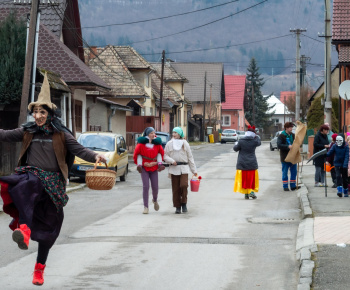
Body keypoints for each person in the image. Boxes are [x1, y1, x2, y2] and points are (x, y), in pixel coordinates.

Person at [0, 73, 107, 286]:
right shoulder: (27, 132)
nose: (38, 115)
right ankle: (25, 230)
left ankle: (39, 271)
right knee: (24, 186)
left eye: (42, 112)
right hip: (32, 174)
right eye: (35, 112)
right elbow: (4, 135)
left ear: (50, 113)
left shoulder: (61, 135)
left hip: (54, 183)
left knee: (51, 228)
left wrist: (96, 156)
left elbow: (80, 150)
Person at [164, 127, 198, 214]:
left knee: (184, 185)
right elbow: (165, 156)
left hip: (184, 168)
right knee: (175, 188)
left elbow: (190, 157)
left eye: (176, 132)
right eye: (173, 132)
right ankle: (177, 206)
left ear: (180, 134)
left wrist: (194, 170)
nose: (174, 134)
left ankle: (184, 203)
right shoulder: (169, 143)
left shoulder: (185, 143)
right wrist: (172, 161)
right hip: (174, 168)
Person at [133, 127, 164, 214]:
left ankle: (154, 200)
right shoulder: (141, 144)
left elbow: (161, 153)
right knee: (146, 187)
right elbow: (136, 155)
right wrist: (143, 163)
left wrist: (156, 163)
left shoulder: (157, 144)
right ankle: (146, 207)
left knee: (155, 187)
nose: (153, 134)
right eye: (151, 133)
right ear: (147, 134)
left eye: (154, 133)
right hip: (144, 167)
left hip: (154, 167)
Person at [233, 125, 261, 199]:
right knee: (251, 178)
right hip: (252, 162)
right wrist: (256, 136)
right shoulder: (254, 141)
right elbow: (259, 142)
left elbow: (235, 149)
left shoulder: (241, 141)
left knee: (244, 178)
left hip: (242, 162)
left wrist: (236, 144)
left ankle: (246, 194)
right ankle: (251, 192)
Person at [277, 122, 299, 191]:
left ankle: (293, 186)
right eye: (290, 127)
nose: (291, 129)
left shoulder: (293, 135)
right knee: (285, 172)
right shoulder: (281, 136)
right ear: (286, 128)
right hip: (285, 157)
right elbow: (279, 145)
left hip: (293, 157)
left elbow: (297, 143)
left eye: (292, 127)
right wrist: (287, 146)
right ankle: (285, 186)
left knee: (294, 172)